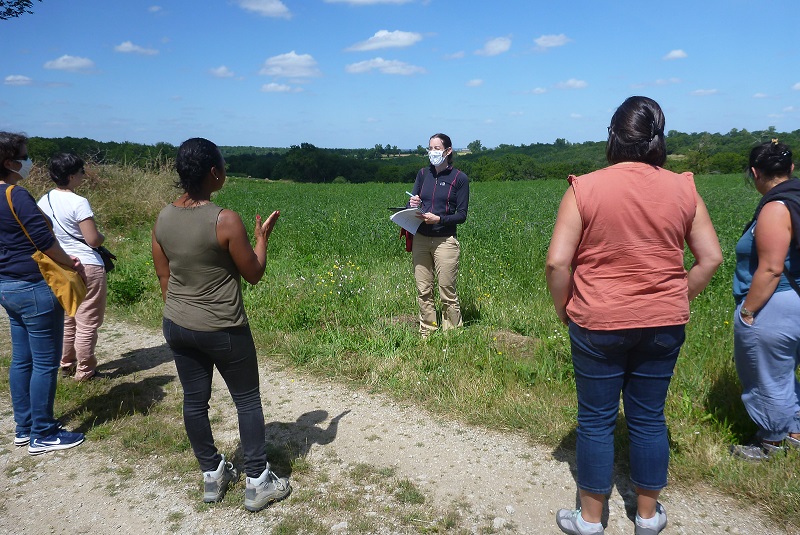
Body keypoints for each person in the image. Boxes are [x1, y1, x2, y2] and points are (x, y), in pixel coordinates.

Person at [545, 97, 722, 535]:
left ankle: (589, 520)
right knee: (647, 417)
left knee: (596, 420)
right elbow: (711, 258)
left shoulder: (584, 188)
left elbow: (557, 264)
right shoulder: (684, 188)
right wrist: (677, 295)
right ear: (658, 137)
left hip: (597, 320)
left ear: (613, 136)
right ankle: (647, 516)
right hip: (663, 323)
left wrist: (564, 308)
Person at [151, 137, 290, 511]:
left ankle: (212, 475)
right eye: (223, 165)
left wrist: (185, 314)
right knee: (246, 400)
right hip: (224, 327)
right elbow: (254, 273)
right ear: (214, 173)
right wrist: (262, 239)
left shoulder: (163, 217)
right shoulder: (224, 219)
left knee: (195, 402)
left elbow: (164, 277)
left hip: (178, 324)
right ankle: (258, 481)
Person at [0, 132, 86, 455]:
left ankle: (23, 428)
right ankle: (43, 432)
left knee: (21, 358)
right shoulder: (16, 195)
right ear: (10, 163)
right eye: (23, 155)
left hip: (6, 286)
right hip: (34, 287)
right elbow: (44, 241)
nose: (28, 161)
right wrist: (72, 263)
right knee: (46, 362)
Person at [730, 139, 800, 461]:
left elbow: (771, 268)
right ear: (791, 168)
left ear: (755, 173)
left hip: (774, 307)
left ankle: (770, 443)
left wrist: (748, 312)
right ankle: (795, 433)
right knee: (784, 373)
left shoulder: (776, 208)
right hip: (795, 304)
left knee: (766, 377)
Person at [37, 153, 107, 381]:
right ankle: (86, 371)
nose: (84, 176)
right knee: (87, 322)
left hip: (61, 265)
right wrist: (102, 237)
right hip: (87, 265)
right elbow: (93, 240)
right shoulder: (79, 202)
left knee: (69, 318)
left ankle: (66, 363)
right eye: (81, 172)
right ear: (70, 176)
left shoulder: (43, 201)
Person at [407, 133, 469, 337]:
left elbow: (461, 215)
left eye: (436, 148)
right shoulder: (423, 174)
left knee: (446, 290)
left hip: (445, 240)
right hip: (421, 239)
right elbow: (413, 201)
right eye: (430, 148)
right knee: (423, 289)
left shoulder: (459, 179)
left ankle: (452, 333)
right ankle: (428, 331)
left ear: (448, 151)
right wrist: (412, 204)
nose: (432, 152)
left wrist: (439, 219)